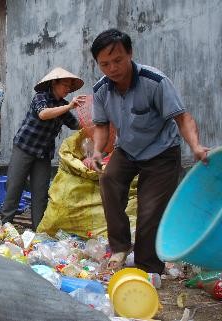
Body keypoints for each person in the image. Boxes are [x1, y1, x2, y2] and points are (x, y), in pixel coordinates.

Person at [88, 29, 209, 273]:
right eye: (105, 64)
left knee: (150, 210)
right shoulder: (101, 89)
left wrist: (195, 146)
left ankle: (148, 268)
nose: (112, 68)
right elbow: (101, 126)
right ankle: (120, 247)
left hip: (161, 153)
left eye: (118, 60)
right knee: (109, 180)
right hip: (128, 150)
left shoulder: (154, 82)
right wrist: (97, 151)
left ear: (130, 54)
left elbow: (182, 118)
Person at [1, 67, 86, 230]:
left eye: (70, 87)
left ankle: (38, 230)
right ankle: (6, 224)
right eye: (65, 85)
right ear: (54, 83)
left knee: (40, 193)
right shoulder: (41, 97)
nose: (68, 90)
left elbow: (76, 124)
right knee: (15, 186)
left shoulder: (63, 105)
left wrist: (92, 121)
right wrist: (69, 107)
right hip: (24, 147)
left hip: (43, 153)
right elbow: (43, 114)